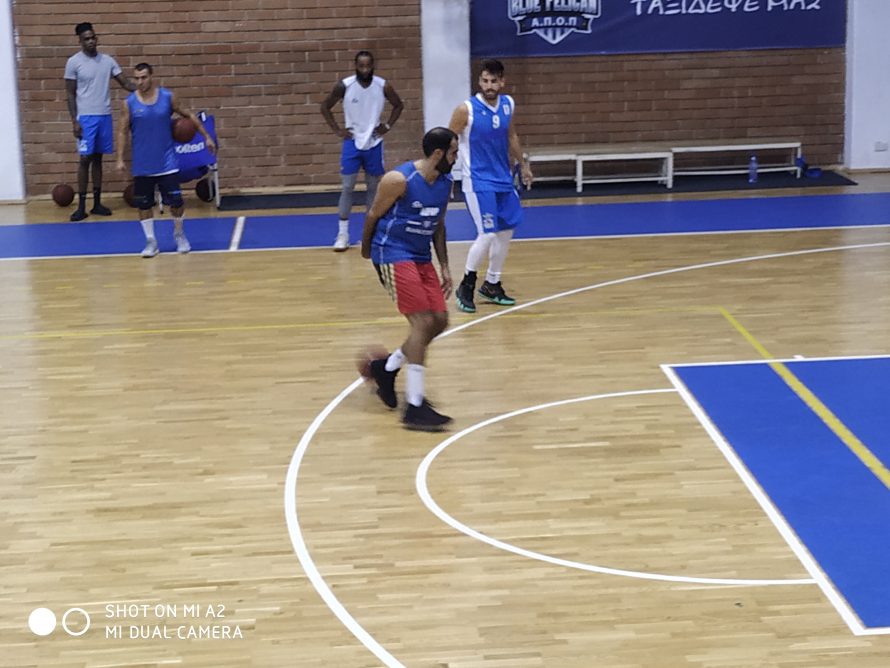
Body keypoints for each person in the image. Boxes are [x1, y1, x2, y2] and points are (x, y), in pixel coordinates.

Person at [360, 127, 458, 432]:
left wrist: (445, 266)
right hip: (391, 252)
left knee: (439, 320)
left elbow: (438, 225)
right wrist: (367, 251)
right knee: (422, 323)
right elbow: (373, 215)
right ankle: (414, 406)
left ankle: (386, 368)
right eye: (454, 152)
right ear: (438, 154)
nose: (457, 157)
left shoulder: (445, 183)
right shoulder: (399, 180)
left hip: (420, 255)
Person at [448, 58, 533, 313]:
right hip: (477, 180)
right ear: (479, 81)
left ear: (502, 82)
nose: (489, 86)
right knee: (487, 233)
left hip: (503, 179)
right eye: (484, 81)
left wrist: (523, 165)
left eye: (493, 81)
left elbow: (511, 135)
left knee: (506, 232)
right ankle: (466, 285)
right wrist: (446, 176)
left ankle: (492, 283)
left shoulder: (508, 104)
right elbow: (448, 141)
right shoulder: (466, 109)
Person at [115, 63, 216, 258]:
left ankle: (179, 234)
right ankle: (151, 241)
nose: (140, 82)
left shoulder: (168, 97)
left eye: (144, 77)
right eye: (137, 78)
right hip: (143, 165)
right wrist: (119, 158)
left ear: (151, 77)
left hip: (167, 163)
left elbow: (189, 115)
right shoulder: (129, 103)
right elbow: (121, 131)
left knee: (176, 203)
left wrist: (206, 137)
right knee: (144, 205)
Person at [322, 50, 404, 252]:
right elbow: (325, 107)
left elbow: (398, 105)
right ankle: (343, 234)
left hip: (374, 143)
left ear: (373, 66)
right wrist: (338, 130)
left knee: (373, 189)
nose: (365, 70)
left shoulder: (382, 85)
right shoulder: (345, 85)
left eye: (368, 66)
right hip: (352, 142)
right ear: (356, 66)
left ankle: (370, 233)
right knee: (347, 187)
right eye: (361, 66)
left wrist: (387, 125)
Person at [64, 22, 135, 222]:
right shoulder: (73, 62)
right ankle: (81, 207)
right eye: (86, 39)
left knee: (98, 159)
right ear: (80, 41)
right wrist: (74, 121)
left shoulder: (108, 61)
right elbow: (70, 93)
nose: (91, 41)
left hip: (104, 116)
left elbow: (125, 83)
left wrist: (145, 89)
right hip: (85, 118)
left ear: (97, 38)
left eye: (93, 37)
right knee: (84, 159)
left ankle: (96, 203)